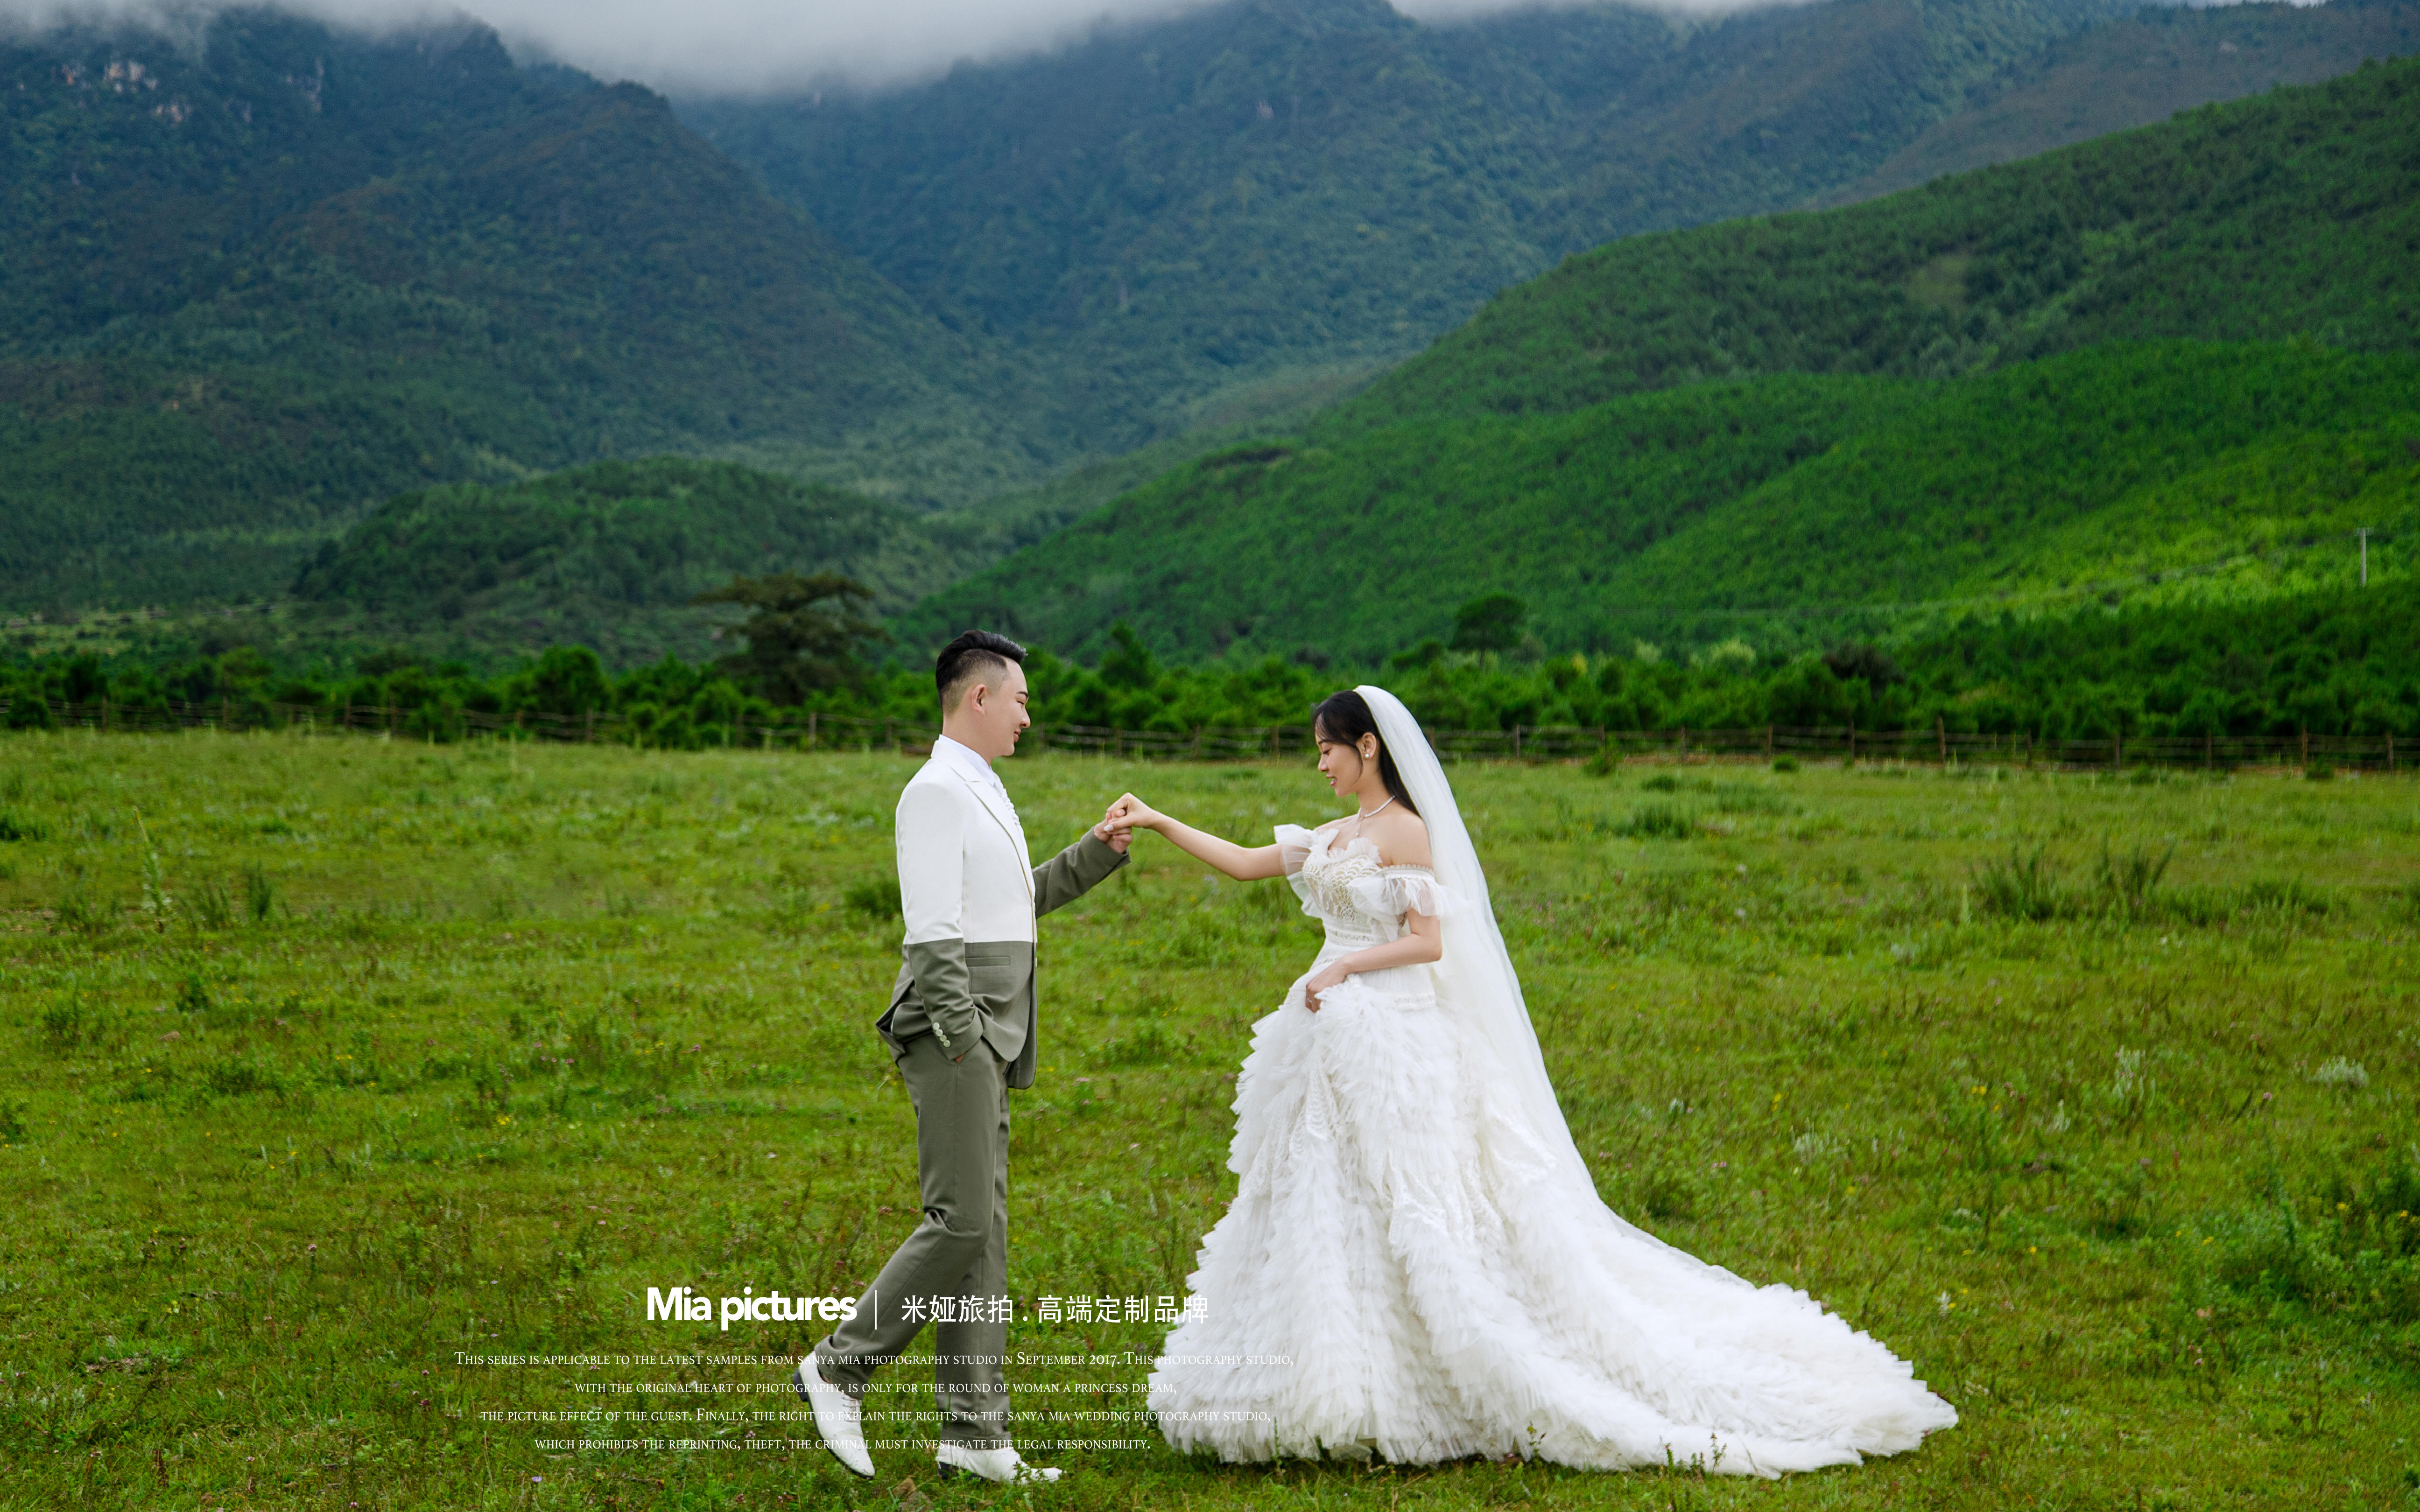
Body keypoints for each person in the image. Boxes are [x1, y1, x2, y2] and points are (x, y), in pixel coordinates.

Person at [1107, 686, 1957, 1475]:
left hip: (1392, 1031)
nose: (1319, 764)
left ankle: (1420, 1377)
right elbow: (1247, 862)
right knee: (1314, 1198)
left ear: (1368, 748)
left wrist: (1345, 969)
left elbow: (1429, 942)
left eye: (1327, 750)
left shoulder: (1404, 831)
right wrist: (1156, 820)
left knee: (1415, 1202)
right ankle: (1318, 1382)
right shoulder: (1330, 839)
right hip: (1329, 1037)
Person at [793, 630, 1132, 1486]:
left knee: (986, 1235)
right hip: (959, 1029)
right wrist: (964, 1035)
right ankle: (839, 1367)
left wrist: (1096, 853)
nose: (1028, 714)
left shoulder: (982, 788)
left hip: (990, 1030)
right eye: (1019, 698)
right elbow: (934, 930)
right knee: (963, 1223)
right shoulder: (935, 792)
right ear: (977, 698)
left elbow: (1018, 903)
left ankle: (975, 1437)